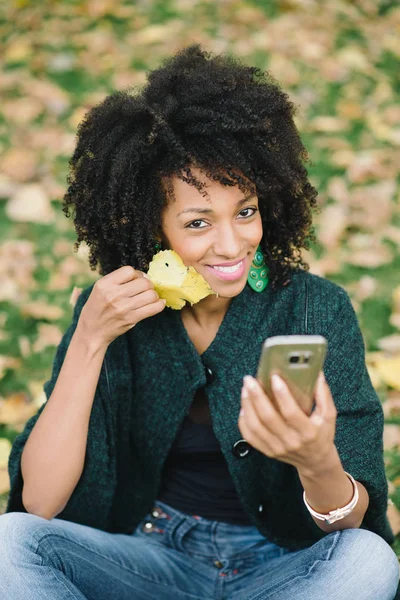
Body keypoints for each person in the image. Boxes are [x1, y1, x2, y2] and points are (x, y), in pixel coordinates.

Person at [0, 44, 398, 600]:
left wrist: (316, 459)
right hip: (149, 559)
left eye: (245, 210)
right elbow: (41, 503)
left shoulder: (316, 308)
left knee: (368, 562)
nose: (232, 243)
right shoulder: (114, 311)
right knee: (11, 543)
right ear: (151, 227)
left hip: (282, 566)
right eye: (197, 222)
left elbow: (350, 524)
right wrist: (90, 339)